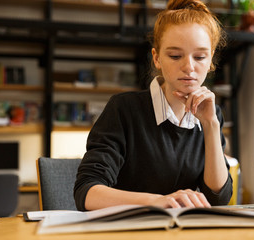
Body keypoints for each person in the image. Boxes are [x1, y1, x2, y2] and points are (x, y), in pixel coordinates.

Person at [74, 0, 233, 211]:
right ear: (157, 58)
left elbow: (218, 199)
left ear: (211, 59)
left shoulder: (212, 115)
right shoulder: (124, 109)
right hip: (127, 230)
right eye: (175, 56)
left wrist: (211, 125)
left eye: (200, 57)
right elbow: (87, 193)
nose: (189, 67)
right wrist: (158, 201)